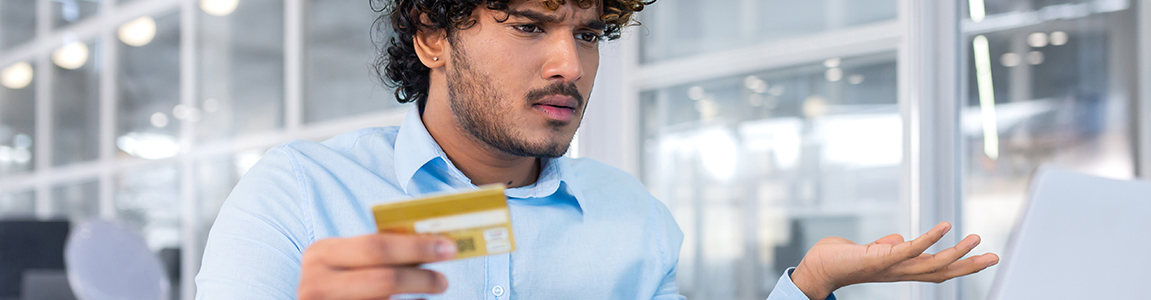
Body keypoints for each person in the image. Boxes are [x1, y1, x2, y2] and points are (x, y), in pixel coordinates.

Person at [194, 0, 1000, 299]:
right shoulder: (297, 196)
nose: (568, 66)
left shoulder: (629, 216)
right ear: (432, 34)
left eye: (589, 34)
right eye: (529, 25)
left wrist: (809, 285)